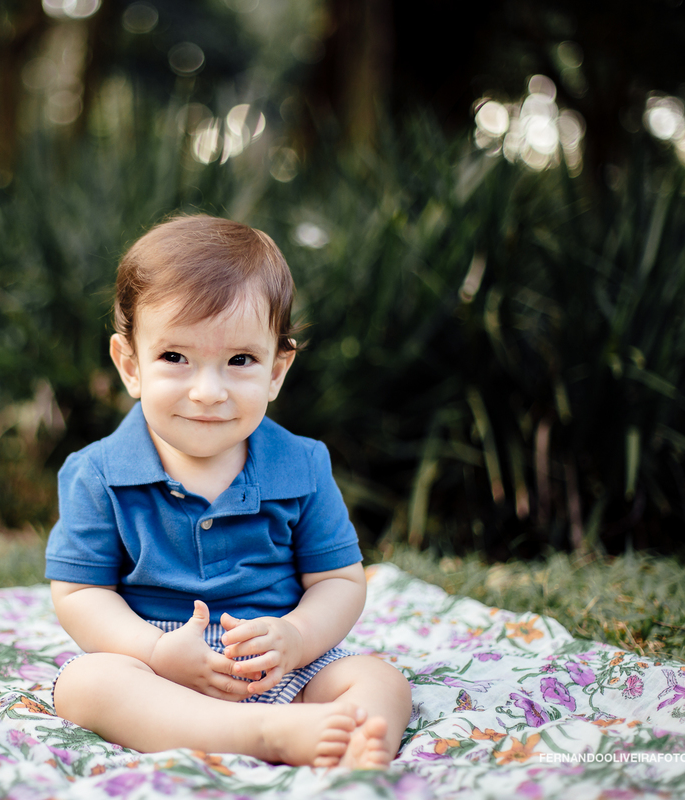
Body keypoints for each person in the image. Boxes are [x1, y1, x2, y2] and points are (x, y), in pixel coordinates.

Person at [46, 214, 412, 768]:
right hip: (157, 667)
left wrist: (296, 636)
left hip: (280, 660)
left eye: (240, 360)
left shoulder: (302, 466)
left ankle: (355, 745)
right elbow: (80, 593)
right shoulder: (98, 473)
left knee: (379, 679)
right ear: (130, 365)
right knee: (86, 684)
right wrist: (154, 650)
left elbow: (339, 581)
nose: (208, 391)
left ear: (276, 370)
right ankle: (261, 734)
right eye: (175, 357)